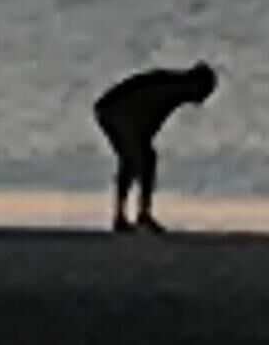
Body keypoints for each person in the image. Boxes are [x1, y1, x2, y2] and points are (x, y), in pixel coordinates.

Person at [93, 59, 217, 231]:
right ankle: (136, 214)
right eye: (204, 91)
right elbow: (150, 115)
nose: (202, 99)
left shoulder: (172, 85)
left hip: (113, 112)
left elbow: (150, 121)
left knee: (136, 159)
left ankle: (129, 214)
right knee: (139, 158)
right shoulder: (172, 88)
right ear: (195, 83)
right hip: (118, 112)